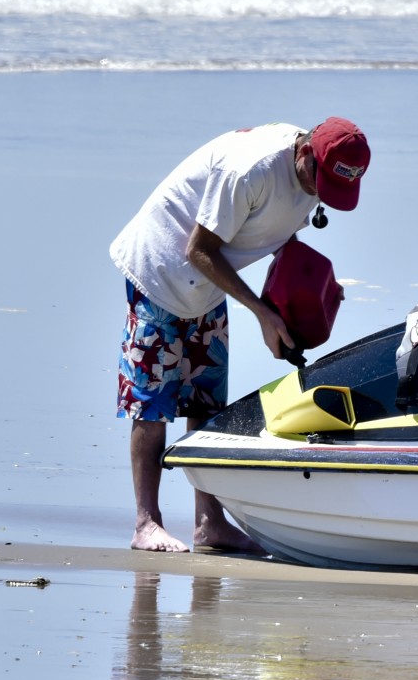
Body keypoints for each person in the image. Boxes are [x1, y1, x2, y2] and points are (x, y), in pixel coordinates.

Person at [110, 118, 371, 552]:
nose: (319, 193)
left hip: (210, 282)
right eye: (319, 179)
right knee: (153, 403)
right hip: (160, 268)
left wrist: (312, 297)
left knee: (207, 404)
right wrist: (262, 313)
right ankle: (145, 523)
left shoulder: (311, 175)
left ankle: (209, 523)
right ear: (305, 153)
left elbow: (276, 239)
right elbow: (197, 249)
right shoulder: (251, 171)